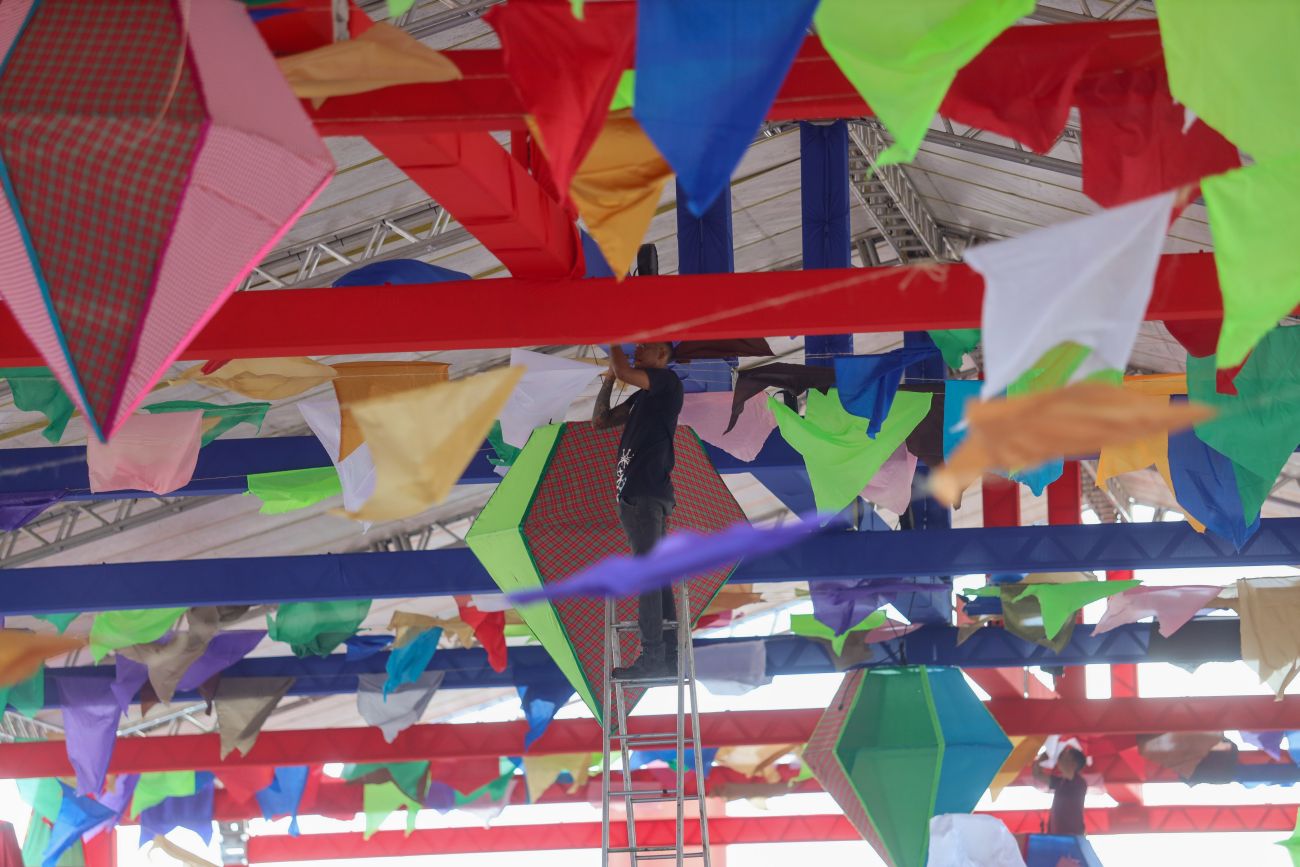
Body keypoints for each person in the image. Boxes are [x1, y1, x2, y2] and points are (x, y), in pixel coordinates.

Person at [592, 342, 684, 679]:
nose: (639, 350)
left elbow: (625, 370)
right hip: (639, 495)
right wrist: (608, 380)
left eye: (646, 348)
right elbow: (600, 421)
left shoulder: (667, 382)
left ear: (663, 357)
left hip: (644, 493)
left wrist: (614, 340)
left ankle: (653, 657)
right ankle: (668, 657)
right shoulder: (642, 397)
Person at [1032, 746, 1088, 837]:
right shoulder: (1060, 782)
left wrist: (1053, 752)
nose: (1061, 757)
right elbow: (1037, 774)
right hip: (1056, 834)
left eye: (1066, 756)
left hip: (1072, 835)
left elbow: (1068, 772)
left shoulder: (1079, 783)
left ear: (1073, 763)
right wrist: (1042, 757)